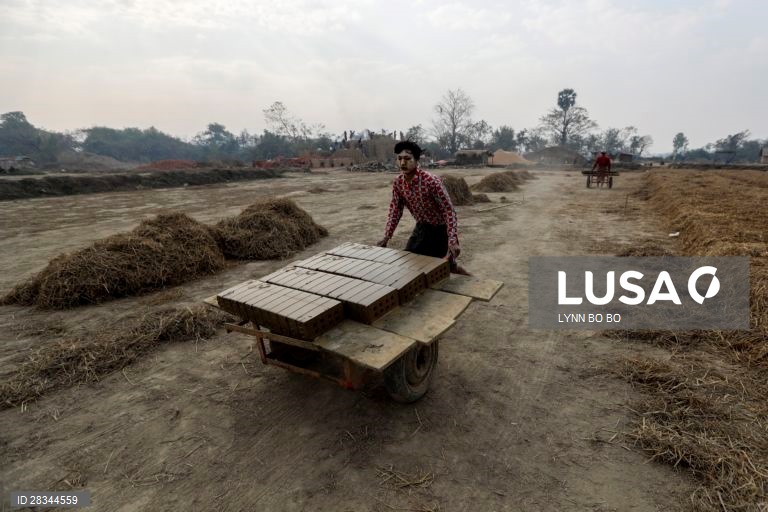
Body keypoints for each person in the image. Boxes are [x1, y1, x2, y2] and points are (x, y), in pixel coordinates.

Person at [377, 140, 470, 275]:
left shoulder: (431, 181)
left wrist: (452, 240)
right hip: (421, 229)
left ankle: (473, 282)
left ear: (416, 160)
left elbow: (448, 211)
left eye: (407, 159)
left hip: (441, 232)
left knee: (446, 269)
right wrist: (387, 236)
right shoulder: (398, 183)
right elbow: (395, 210)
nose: (403, 163)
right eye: (400, 158)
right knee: (408, 262)